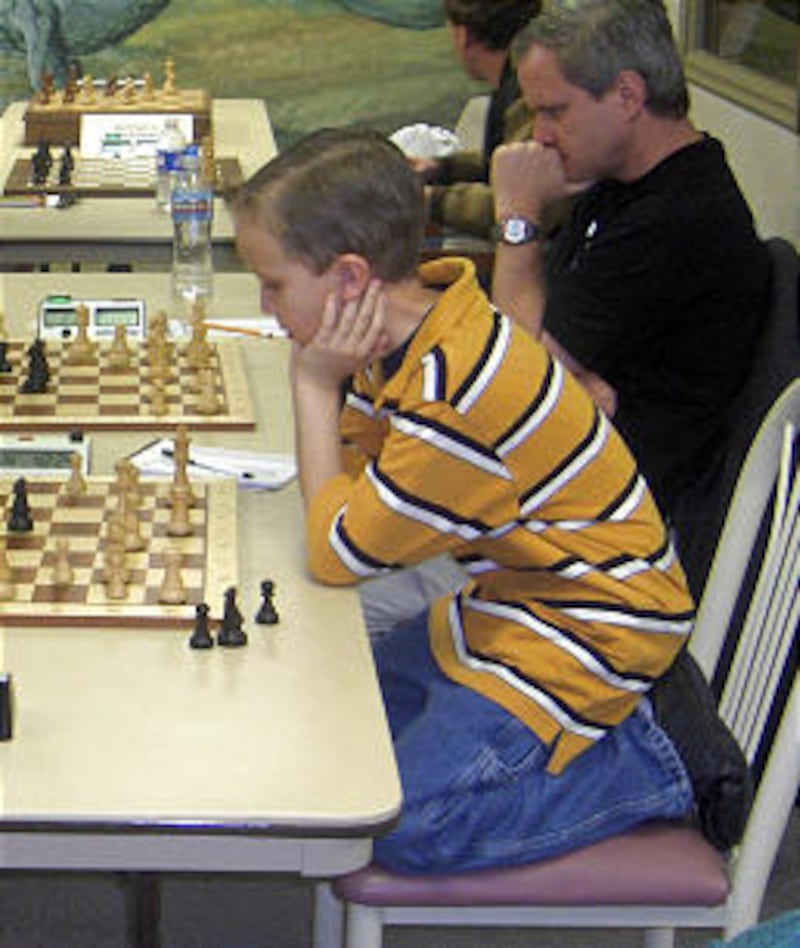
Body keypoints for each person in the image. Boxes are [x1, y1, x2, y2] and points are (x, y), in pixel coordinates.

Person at [233, 127, 695, 874]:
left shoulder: (455, 391)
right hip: (509, 605)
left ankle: (646, 765)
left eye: (274, 283)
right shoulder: (430, 326)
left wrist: (313, 383)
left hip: (592, 631)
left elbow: (336, 551)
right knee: (339, 732)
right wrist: (339, 390)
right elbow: (352, 489)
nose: (265, 304)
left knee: (397, 821)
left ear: (349, 278)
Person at [490, 0, 772, 599]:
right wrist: (558, 376)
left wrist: (517, 220)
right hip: (552, 494)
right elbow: (532, 364)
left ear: (626, 94)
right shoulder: (618, 185)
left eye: (553, 111)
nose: (538, 135)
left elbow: (515, 385)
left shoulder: (679, 219)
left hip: (594, 546)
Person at [411, 0, 538, 238]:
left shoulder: (529, 92)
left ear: (463, 36)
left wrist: (428, 200)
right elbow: (508, 164)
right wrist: (442, 169)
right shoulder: (517, 80)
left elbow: (514, 203)